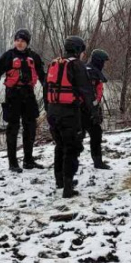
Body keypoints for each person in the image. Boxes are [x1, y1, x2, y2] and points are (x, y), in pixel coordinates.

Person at [0, 29, 47, 172]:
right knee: (12, 129)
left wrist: (49, 94)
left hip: (29, 95)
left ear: (27, 43)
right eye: (17, 40)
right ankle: (13, 163)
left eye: (22, 41)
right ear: (14, 41)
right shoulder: (8, 56)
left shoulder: (34, 57)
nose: (19, 43)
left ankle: (28, 160)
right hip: (13, 95)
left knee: (30, 128)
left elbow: (43, 78)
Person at [45, 36, 96, 198]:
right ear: (78, 50)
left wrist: (49, 111)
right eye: (82, 51)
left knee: (59, 145)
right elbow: (86, 91)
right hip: (69, 113)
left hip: (53, 112)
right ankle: (68, 187)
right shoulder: (77, 66)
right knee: (71, 148)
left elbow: (47, 89)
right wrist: (93, 112)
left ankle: (59, 180)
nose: (83, 54)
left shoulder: (55, 64)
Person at [82, 49, 110, 170]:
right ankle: (97, 162)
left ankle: (97, 162)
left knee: (95, 134)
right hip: (85, 110)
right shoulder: (91, 72)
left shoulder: (88, 70)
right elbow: (89, 94)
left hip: (87, 108)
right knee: (91, 135)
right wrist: (94, 111)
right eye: (103, 61)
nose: (104, 64)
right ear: (99, 61)